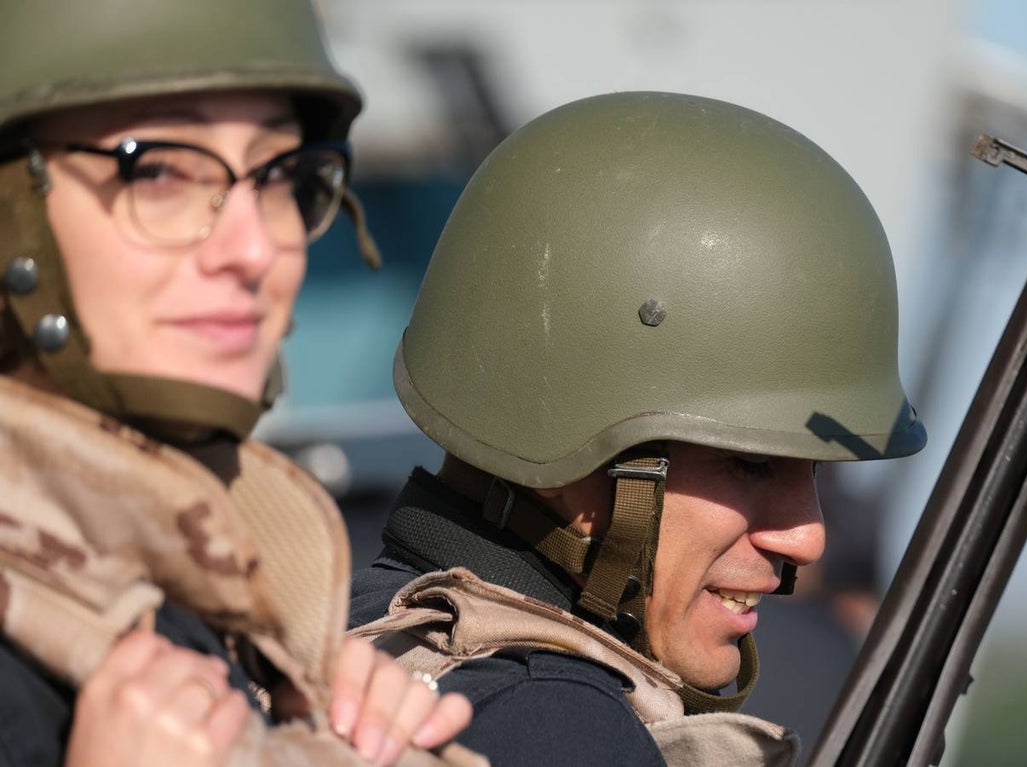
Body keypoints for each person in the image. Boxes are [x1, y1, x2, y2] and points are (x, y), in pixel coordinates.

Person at [348, 91, 927, 765]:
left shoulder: (335, 628)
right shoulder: (560, 729)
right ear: (566, 444)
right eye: (748, 464)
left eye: (813, 469)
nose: (808, 534)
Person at [0, 2, 480, 766]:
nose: (256, 247)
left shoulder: (237, 602)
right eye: (157, 170)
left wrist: (303, 731)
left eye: (281, 175)